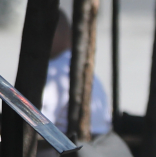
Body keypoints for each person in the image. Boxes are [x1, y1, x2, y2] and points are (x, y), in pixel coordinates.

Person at [41, 10, 111, 140]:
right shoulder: (84, 71)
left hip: (61, 156)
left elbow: (36, 120)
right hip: (97, 147)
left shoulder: (54, 71)